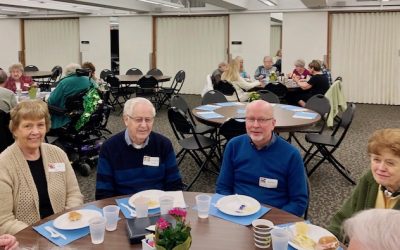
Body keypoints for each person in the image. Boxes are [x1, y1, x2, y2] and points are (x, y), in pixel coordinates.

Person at [0, 100, 83, 235]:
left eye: (40, 125)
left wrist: (67, 221)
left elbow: (73, 194)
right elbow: (4, 221)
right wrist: (42, 235)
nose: (36, 132)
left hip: (66, 231)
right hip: (28, 239)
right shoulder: (3, 164)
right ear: (15, 129)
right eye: (28, 126)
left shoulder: (57, 153)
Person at [216, 100, 308, 217]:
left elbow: (298, 202)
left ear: (273, 123)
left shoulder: (291, 155)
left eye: (262, 120)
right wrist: (229, 210)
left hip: (272, 220)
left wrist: (270, 221)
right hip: (236, 215)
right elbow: (223, 187)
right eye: (250, 119)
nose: (255, 125)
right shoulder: (234, 146)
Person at [95, 97, 183, 200]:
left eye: (148, 119)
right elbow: (103, 194)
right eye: (138, 120)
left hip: (158, 206)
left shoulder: (163, 145)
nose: (144, 125)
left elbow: (175, 185)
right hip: (125, 209)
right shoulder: (109, 148)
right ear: (126, 120)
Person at [328, 128, 400, 241]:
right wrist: (329, 239)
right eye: (376, 160)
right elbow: (343, 218)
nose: (381, 168)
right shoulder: (369, 179)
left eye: (390, 163)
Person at [47, 63, 95, 129]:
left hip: (65, 115)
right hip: (85, 112)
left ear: (67, 72)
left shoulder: (64, 82)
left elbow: (52, 100)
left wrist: (46, 99)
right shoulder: (90, 80)